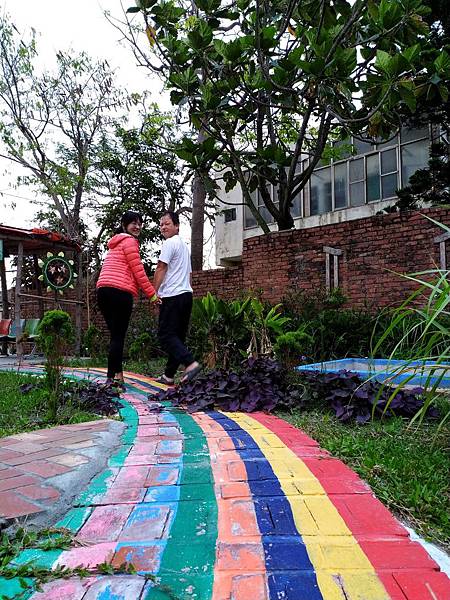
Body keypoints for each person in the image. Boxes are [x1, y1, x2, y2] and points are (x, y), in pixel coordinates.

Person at [96, 210, 159, 388]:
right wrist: (152, 295)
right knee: (118, 337)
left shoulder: (115, 244)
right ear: (125, 225)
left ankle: (117, 376)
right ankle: (111, 379)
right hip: (119, 293)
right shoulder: (130, 241)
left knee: (115, 337)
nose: (137, 226)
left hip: (103, 292)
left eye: (140, 223)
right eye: (133, 223)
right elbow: (139, 272)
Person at [153, 211, 201, 384]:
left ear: (177, 226)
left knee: (165, 335)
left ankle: (191, 363)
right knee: (177, 336)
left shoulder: (169, 243)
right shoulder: (183, 246)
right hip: (186, 295)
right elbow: (188, 274)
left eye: (167, 223)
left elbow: (161, 268)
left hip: (173, 296)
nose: (163, 227)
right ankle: (169, 375)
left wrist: (153, 293)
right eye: (161, 224)